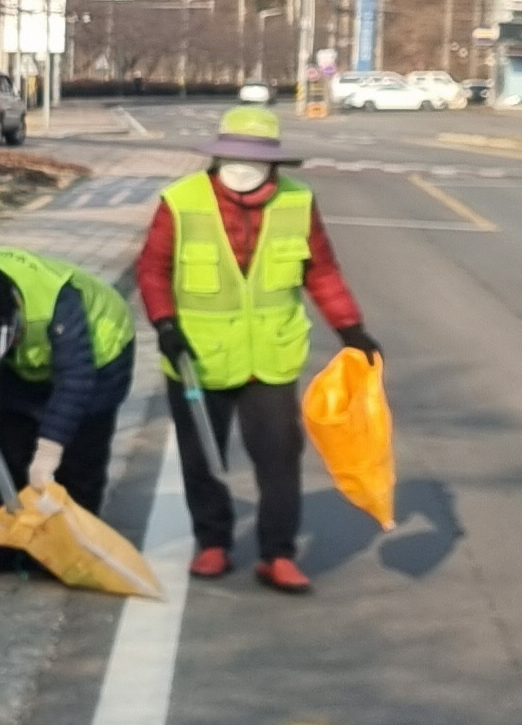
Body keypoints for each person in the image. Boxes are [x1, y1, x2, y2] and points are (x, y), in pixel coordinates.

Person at [136, 106, 381, 594]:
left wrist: (350, 328)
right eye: (234, 157)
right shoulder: (181, 201)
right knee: (201, 455)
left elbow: (321, 270)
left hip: (270, 356)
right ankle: (213, 542)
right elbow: (152, 269)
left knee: (279, 457)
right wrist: (164, 323)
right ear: (218, 156)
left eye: (254, 160)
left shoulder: (297, 202)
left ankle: (277, 554)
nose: (243, 168)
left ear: (274, 163)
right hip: (196, 356)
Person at [0, 247, 137, 575]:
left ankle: (71, 550)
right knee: (10, 452)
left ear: (11, 321)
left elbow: (75, 382)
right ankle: (8, 544)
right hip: (31, 362)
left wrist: (50, 450)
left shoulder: (58, 305)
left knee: (79, 459)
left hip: (99, 357)